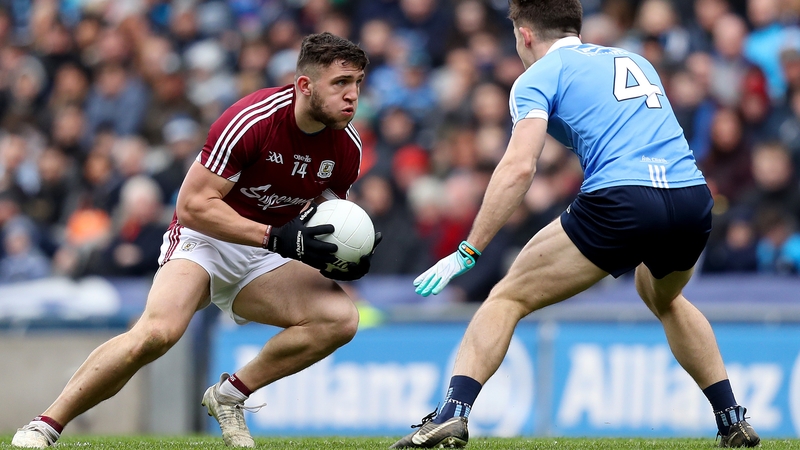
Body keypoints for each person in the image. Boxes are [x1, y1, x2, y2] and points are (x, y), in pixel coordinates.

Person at [390, 1, 760, 448]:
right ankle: (731, 419)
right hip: (691, 198)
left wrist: (469, 250)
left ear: (524, 35)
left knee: (506, 297)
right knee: (662, 295)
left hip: (622, 198)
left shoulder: (537, 76)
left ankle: (452, 415)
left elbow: (518, 168)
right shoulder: (632, 58)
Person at [12, 32, 379, 449]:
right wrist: (274, 237)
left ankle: (230, 396)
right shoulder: (252, 120)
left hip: (266, 251)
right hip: (206, 238)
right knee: (157, 334)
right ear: (304, 86)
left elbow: (326, 221)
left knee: (340, 319)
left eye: (358, 84)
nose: (353, 96)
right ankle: (45, 425)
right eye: (340, 83)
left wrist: (344, 257)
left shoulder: (347, 145)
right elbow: (192, 206)